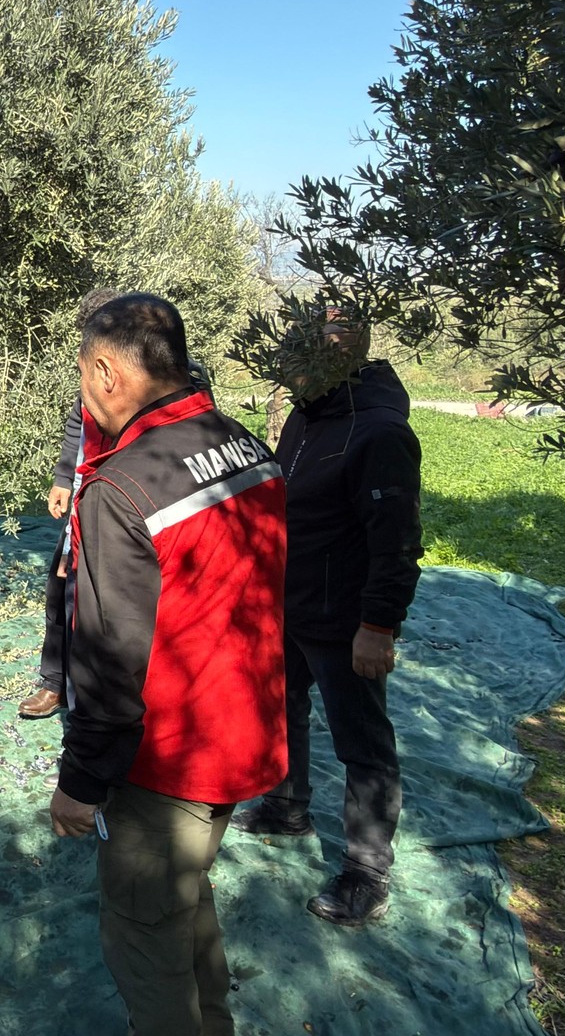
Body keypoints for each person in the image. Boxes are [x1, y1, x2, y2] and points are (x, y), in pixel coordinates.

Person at [49, 293, 288, 1036]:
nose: (84, 397)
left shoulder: (119, 487)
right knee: (184, 905)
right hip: (248, 732)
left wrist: (80, 784)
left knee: (145, 936)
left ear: (107, 371)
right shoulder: (244, 444)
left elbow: (109, 659)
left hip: (170, 761)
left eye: (84, 379)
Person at [233, 310, 422, 927]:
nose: (283, 366)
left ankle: (367, 872)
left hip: (346, 620)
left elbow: (396, 541)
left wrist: (379, 625)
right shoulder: (308, 419)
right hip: (291, 605)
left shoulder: (379, 433)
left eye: (295, 355)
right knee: (283, 707)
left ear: (338, 359)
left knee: (362, 742)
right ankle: (286, 807)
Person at [20, 287, 122, 720]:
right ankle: (54, 681)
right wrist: (64, 477)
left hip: (124, 501)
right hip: (85, 494)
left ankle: (99, 693)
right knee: (60, 586)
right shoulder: (90, 378)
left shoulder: (156, 376)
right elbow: (77, 423)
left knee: (106, 599)